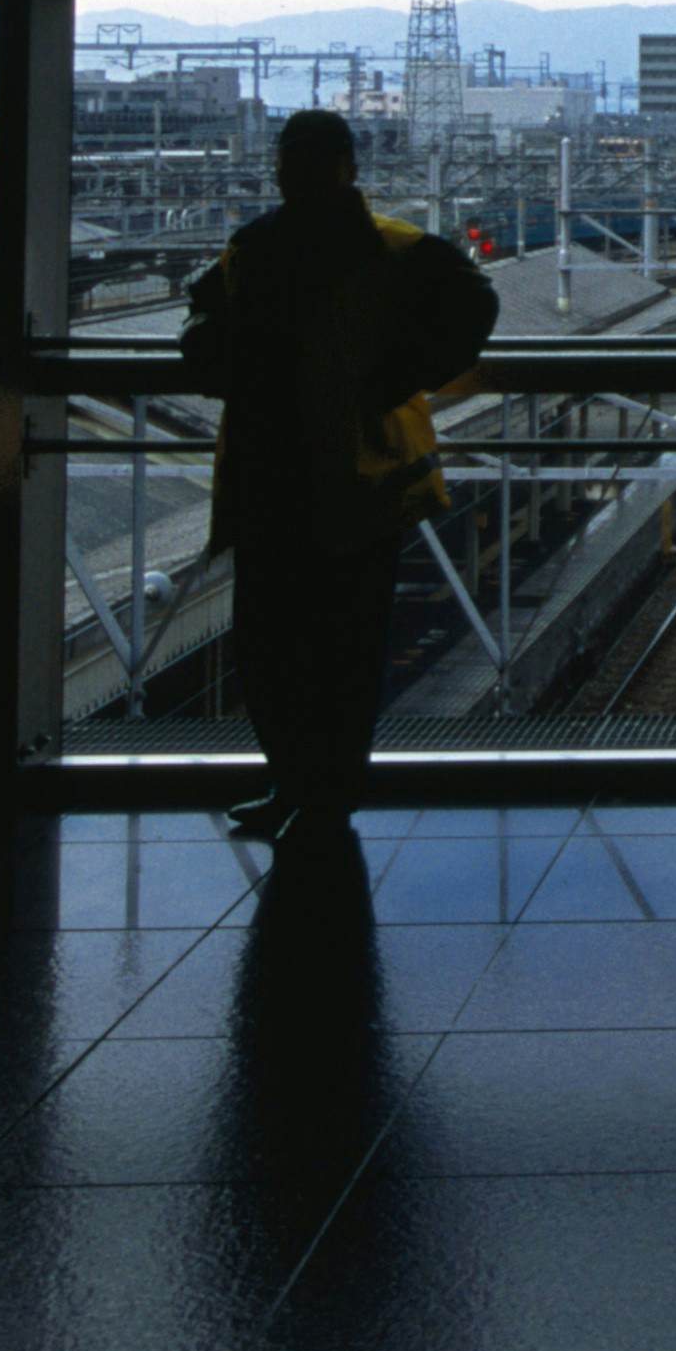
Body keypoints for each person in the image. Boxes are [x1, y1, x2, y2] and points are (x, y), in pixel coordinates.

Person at [182, 111, 497, 844]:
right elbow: (476, 304)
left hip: (270, 475)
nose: (292, 174)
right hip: (362, 478)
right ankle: (323, 797)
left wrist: (215, 359)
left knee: (272, 645)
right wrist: (400, 377)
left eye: (298, 161)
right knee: (343, 649)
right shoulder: (396, 249)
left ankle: (295, 788)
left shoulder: (254, 249)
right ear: (350, 168)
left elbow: (202, 329)